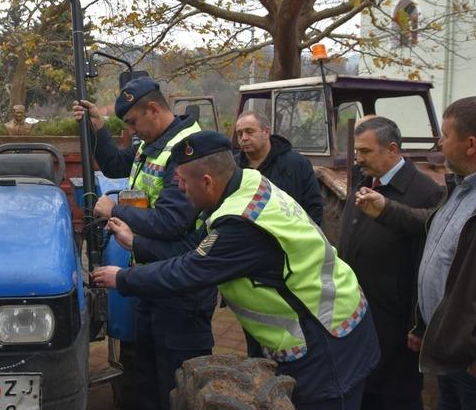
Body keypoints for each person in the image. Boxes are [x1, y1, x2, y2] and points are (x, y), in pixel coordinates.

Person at [93, 130, 379, 410]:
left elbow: (189, 270)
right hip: (322, 323)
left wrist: (121, 277)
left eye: (181, 182)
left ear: (206, 182)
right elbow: (196, 250)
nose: (178, 189)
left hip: (326, 339)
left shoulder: (240, 222)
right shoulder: (247, 182)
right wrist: (136, 243)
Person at [355, 96, 476, 410]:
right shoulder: (465, 186)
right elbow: (438, 229)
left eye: (446, 135)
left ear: (470, 144)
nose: (440, 141)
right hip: (453, 356)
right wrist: (386, 210)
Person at [73, 77, 216, 410]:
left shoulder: (187, 150)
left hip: (181, 287)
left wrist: (115, 209)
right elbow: (115, 164)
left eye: (134, 122)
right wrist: (98, 128)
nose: (133, 131)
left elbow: (170, 221)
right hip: (151, 278)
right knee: (147, 376)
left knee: (176, 382)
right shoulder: (153, 143)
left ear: (153, 109)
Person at [337, 117, 443, 410]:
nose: (358, 159)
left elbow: (425, 267)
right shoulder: (364, 181)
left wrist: (419, 325)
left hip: (396, 326)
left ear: (392, 149)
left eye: (365, 151)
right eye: (357, 151)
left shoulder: (425, 193)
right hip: (359, 314)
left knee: (396, 396)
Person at [234, 111, 323, 225]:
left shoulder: (296, 164)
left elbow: (314, 207)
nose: (244, 138)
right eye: (239, 134)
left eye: (249, 132)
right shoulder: (233, 168)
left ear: (266, 132)